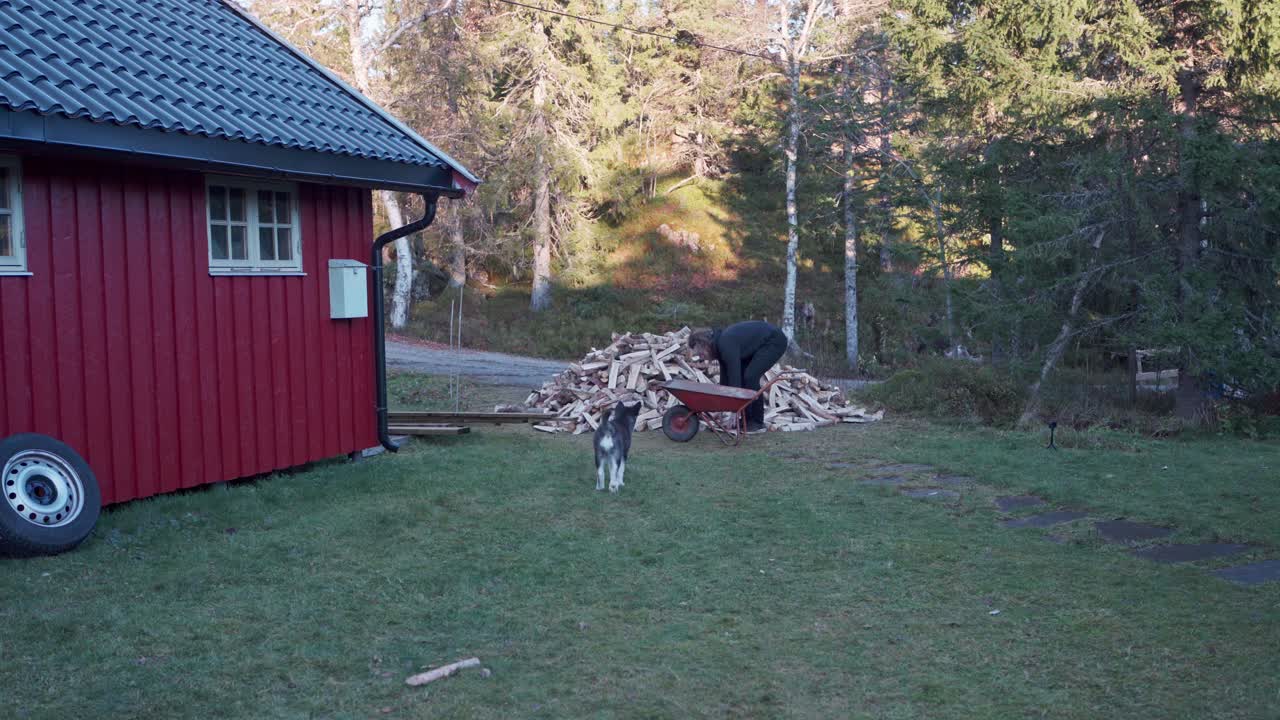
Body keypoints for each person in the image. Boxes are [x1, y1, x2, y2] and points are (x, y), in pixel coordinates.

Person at [687, 321, 788, 432]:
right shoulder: (719, 346)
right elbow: (725, 379)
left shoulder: (725, 343)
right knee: (745, 376)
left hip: (774, 340)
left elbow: (735, 377)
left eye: (701, 354)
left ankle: (756, 421)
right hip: (757, 345)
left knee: (750, 376)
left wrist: (734, 411)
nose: (703, 358)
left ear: (704, 344)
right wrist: (721, 407)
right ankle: (747, 419)